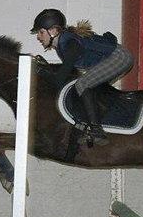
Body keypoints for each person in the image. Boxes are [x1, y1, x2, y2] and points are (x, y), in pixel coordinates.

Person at [31, 8, 134, 142]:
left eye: (41, 32)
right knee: (85, 86)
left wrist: (41, 72)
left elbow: (60, 78)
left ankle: (96, 131)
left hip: (120, 57)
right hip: (116, 56)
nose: (38, 37)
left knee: (83, 84)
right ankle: (92, 123)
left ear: (53, 31)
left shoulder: (70, 43)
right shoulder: (63, 43)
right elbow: (65, 75)